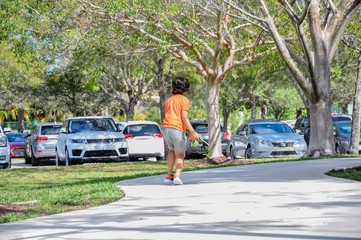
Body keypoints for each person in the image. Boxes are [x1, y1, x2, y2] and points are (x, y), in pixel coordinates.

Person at [162, 77, 200, 185]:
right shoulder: (184, 100)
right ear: (186, 89)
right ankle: (177, 176)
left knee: (172, 150)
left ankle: (169, 175)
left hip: (165, 128)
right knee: (179, 154)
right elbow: (184, 118)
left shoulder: (168, 100)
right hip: (177, 129)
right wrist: (193, 132)